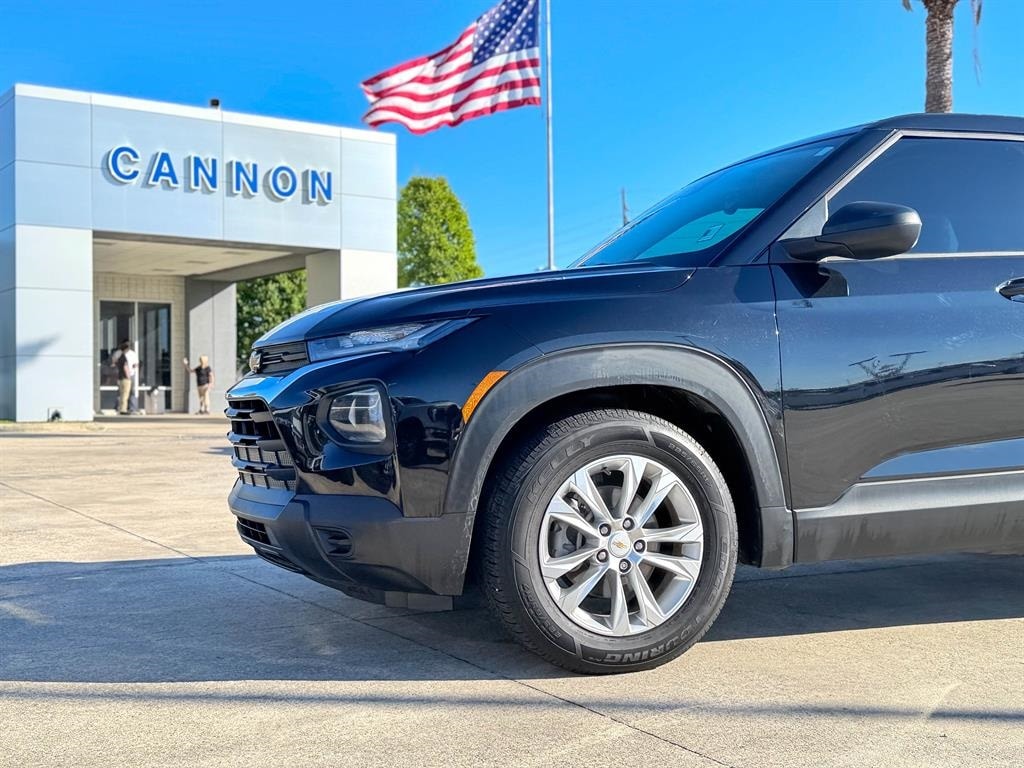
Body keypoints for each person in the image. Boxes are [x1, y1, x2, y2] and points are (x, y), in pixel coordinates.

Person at [110, 340, 139, 414]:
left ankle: (130, 408)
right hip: (126, 376)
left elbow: (136, 364)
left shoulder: (131, 354)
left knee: (125, 392)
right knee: (124, 393)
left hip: (126, 375)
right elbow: (125, 367)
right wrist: (128, 376)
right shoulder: (120, 355)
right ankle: (122, 409)